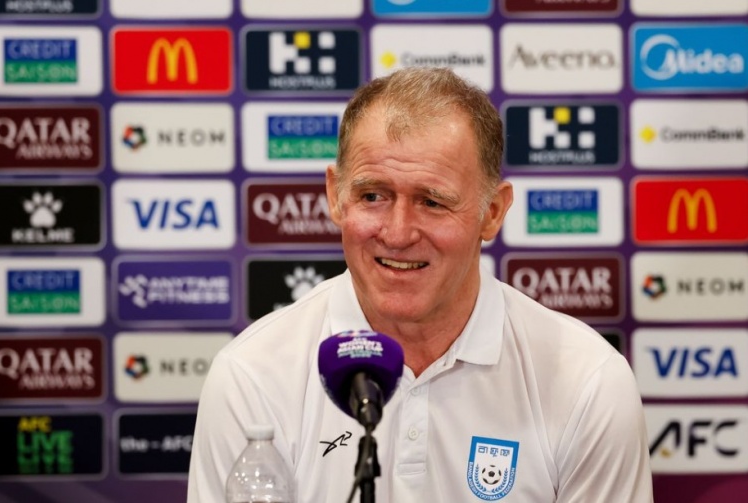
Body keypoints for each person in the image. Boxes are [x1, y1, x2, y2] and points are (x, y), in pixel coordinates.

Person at [188, 67, 652, 502]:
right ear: (336, 196)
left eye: (432, 202)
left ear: (492, 212)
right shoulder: (252, 376)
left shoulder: (587, 381)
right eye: (373, 196)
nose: (398, 233)